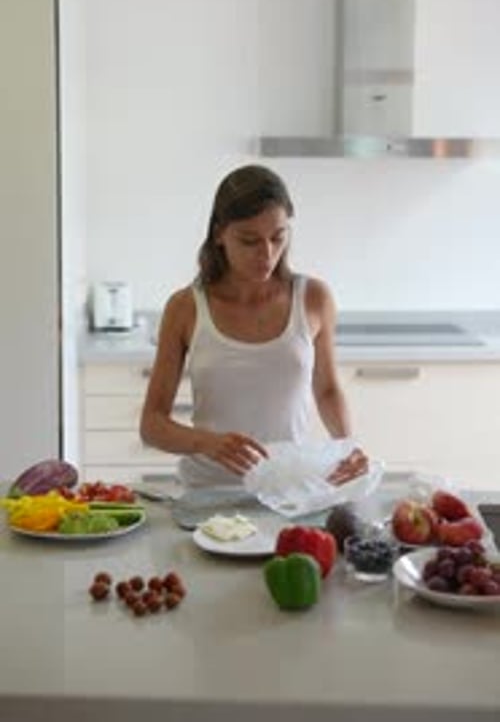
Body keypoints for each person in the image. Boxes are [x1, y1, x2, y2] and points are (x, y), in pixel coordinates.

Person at [140, 164, 368, 488]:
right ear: (220, 234)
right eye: (249, 241)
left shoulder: (314, 298)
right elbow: (152, 424)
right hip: (207, 493)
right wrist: (207, 443)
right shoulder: (186, 308)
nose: (267, 254)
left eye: (278, 238)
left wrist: (348, 446)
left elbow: (328, 390)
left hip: (288, 488)